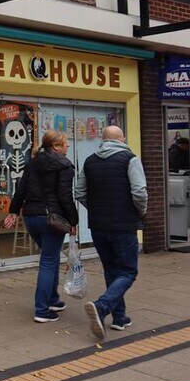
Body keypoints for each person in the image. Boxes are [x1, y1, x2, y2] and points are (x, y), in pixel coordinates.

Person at [75, 125, 148, 340]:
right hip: (123, 225)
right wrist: (140, 212)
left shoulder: (90, 161)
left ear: (103, 140)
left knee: (111, 271)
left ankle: (120, 318)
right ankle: (102, 306)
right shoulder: (130, 159)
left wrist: (96, 209)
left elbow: (79, 192)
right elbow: (139, 192)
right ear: (122, 138)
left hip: (98, 226)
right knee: (128, 271)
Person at [3, 130, 78, 324]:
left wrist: (13, 211)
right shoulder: (65, 166)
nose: (68, 146)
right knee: (48, 261)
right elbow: (65, 197)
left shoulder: (32, 163)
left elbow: (21, 190)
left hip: (31, 218)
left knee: (50, 258)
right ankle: (42, 310)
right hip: (52, 219)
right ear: (55, 146)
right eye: (65, 143)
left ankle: (53, 300)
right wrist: (73, 221)